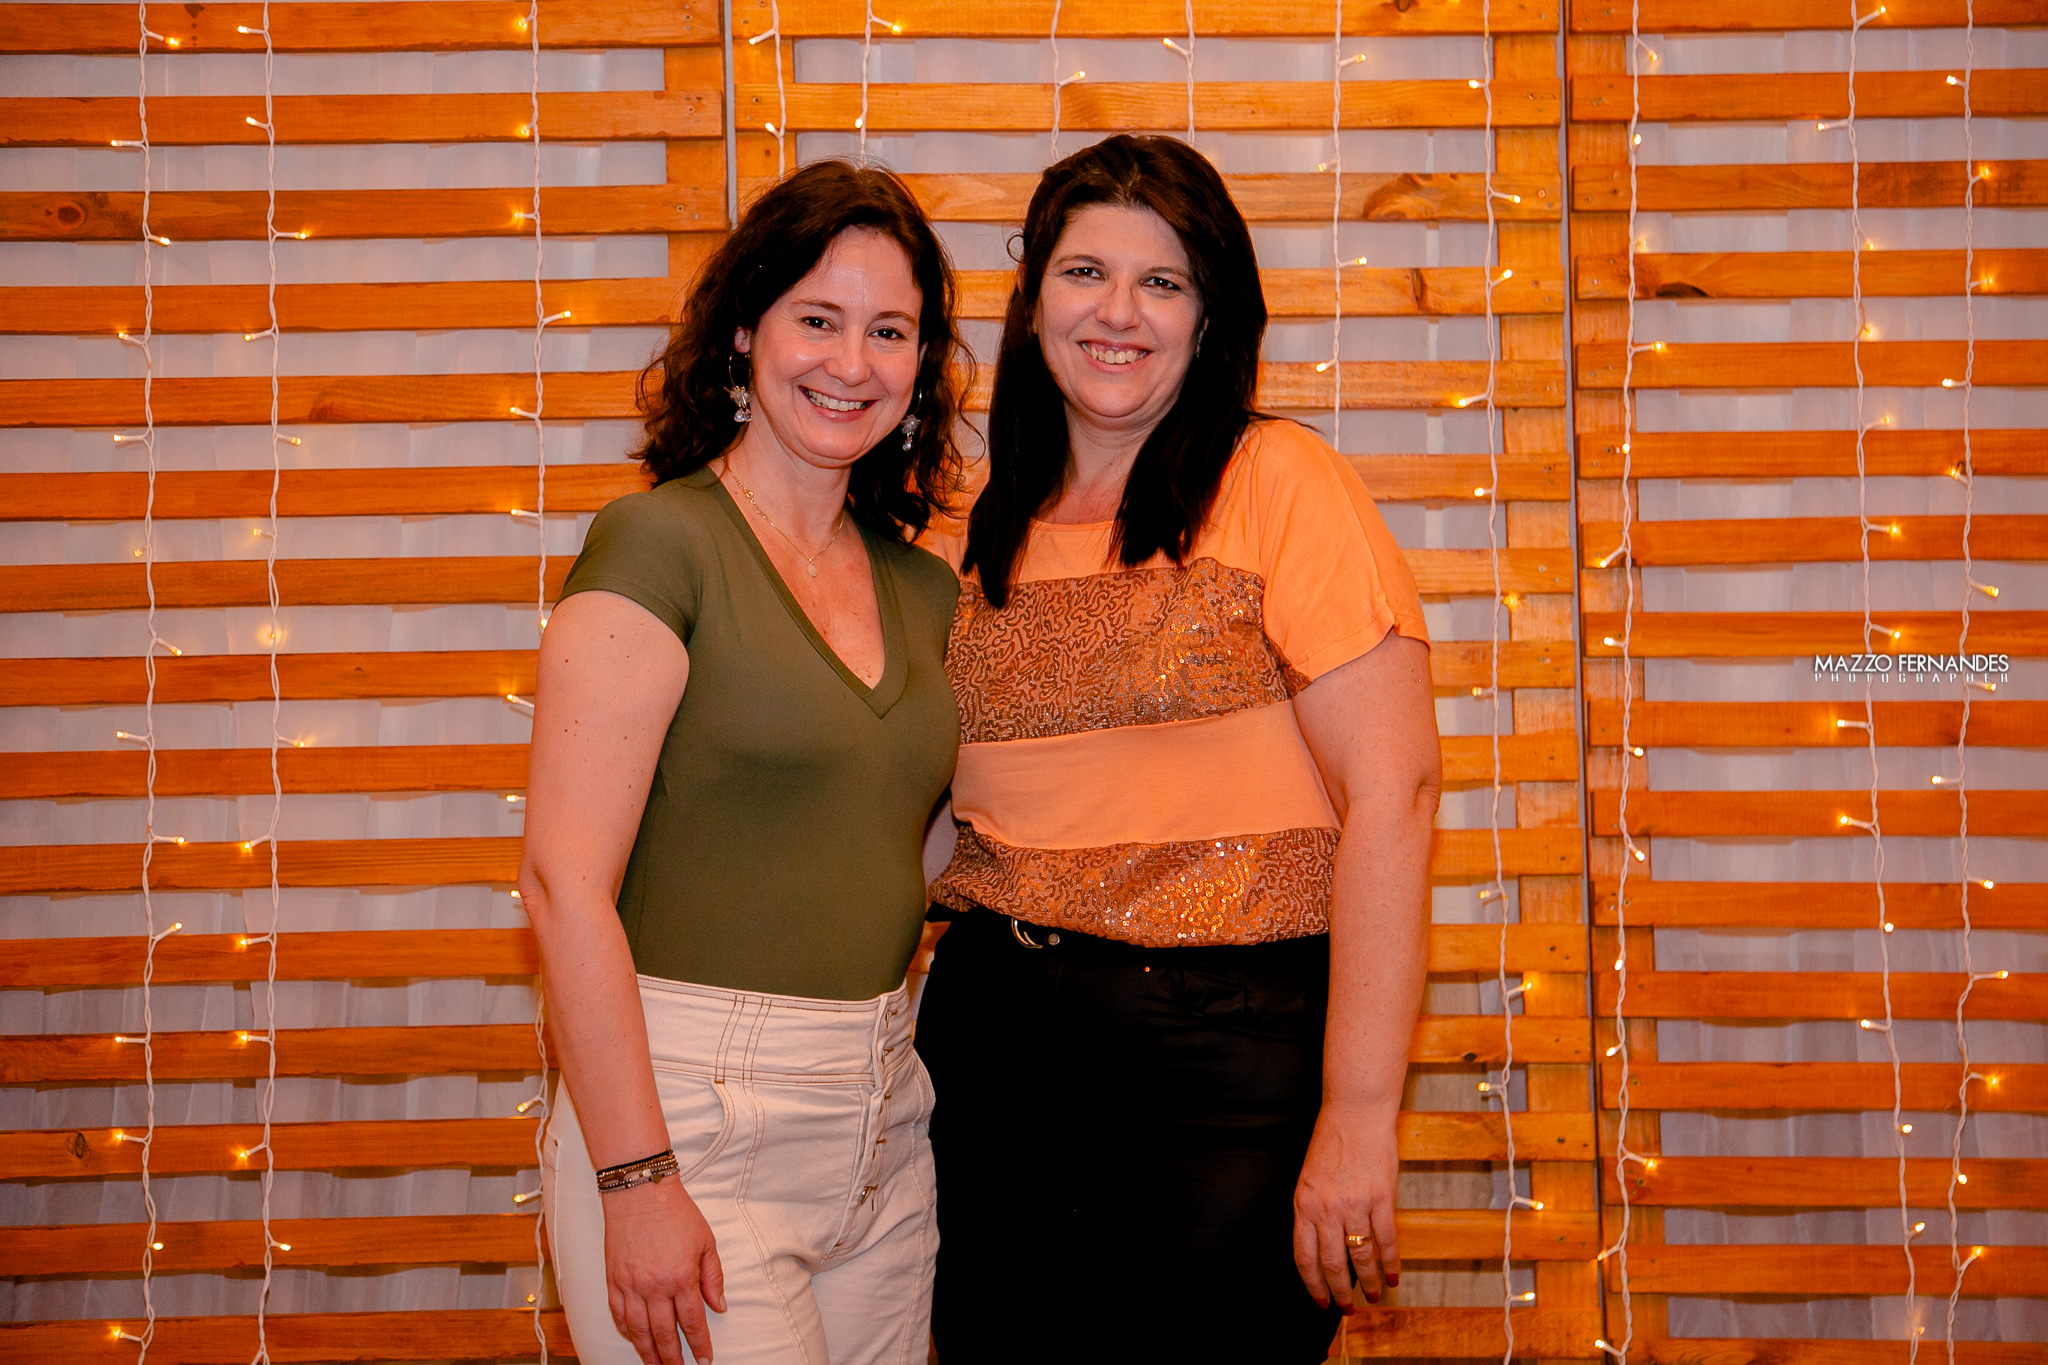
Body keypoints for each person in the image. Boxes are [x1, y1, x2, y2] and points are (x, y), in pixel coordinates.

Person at [915, 134, 1440, 1362]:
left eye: (1162, 282)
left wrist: (1359, 1114)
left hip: (1230, 1058)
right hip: (992, 1048)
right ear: (1031, 301)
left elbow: (1396, 794)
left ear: (1209, 319)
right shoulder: (954, 530)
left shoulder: (1278, 480)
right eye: (1083, 272)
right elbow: (923, 824)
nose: (1118, 312)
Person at [522, 160, 966, 1365]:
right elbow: (561, 885)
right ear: (742, 333)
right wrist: (634, 1179)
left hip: (882, 1129)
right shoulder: (656, 544)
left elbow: (913, 847)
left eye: (889, 331)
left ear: (920, 365)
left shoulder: (924, 589)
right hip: (690, 1123)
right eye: (815, 319)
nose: (850, 362)